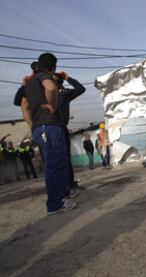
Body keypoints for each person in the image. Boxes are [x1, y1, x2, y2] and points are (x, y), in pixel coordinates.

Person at [21, 52, 76, 215]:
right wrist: (52, 107)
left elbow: (24, 106)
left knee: (58, 164)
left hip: (39, 128)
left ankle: (63, 197)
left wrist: (32, 125)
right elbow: (51, 88)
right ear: (53, 66)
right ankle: (54, 204)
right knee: (55, 165)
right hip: (50, 126)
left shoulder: (28, 84)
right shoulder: (44, 77)